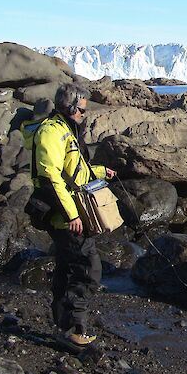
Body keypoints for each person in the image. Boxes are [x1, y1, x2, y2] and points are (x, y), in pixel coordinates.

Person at [31, 83, 116, 347]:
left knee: (68, 267)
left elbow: (75, 169)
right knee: (87, 269)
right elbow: (50, 178)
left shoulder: (66, 130)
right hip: (64, 215)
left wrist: (100, 172)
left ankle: (65, 325)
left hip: (72, 211)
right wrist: (72, 216)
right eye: (80, 110)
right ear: (68, 108)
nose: (83, 115)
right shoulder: (51, 133)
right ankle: (73, 330)